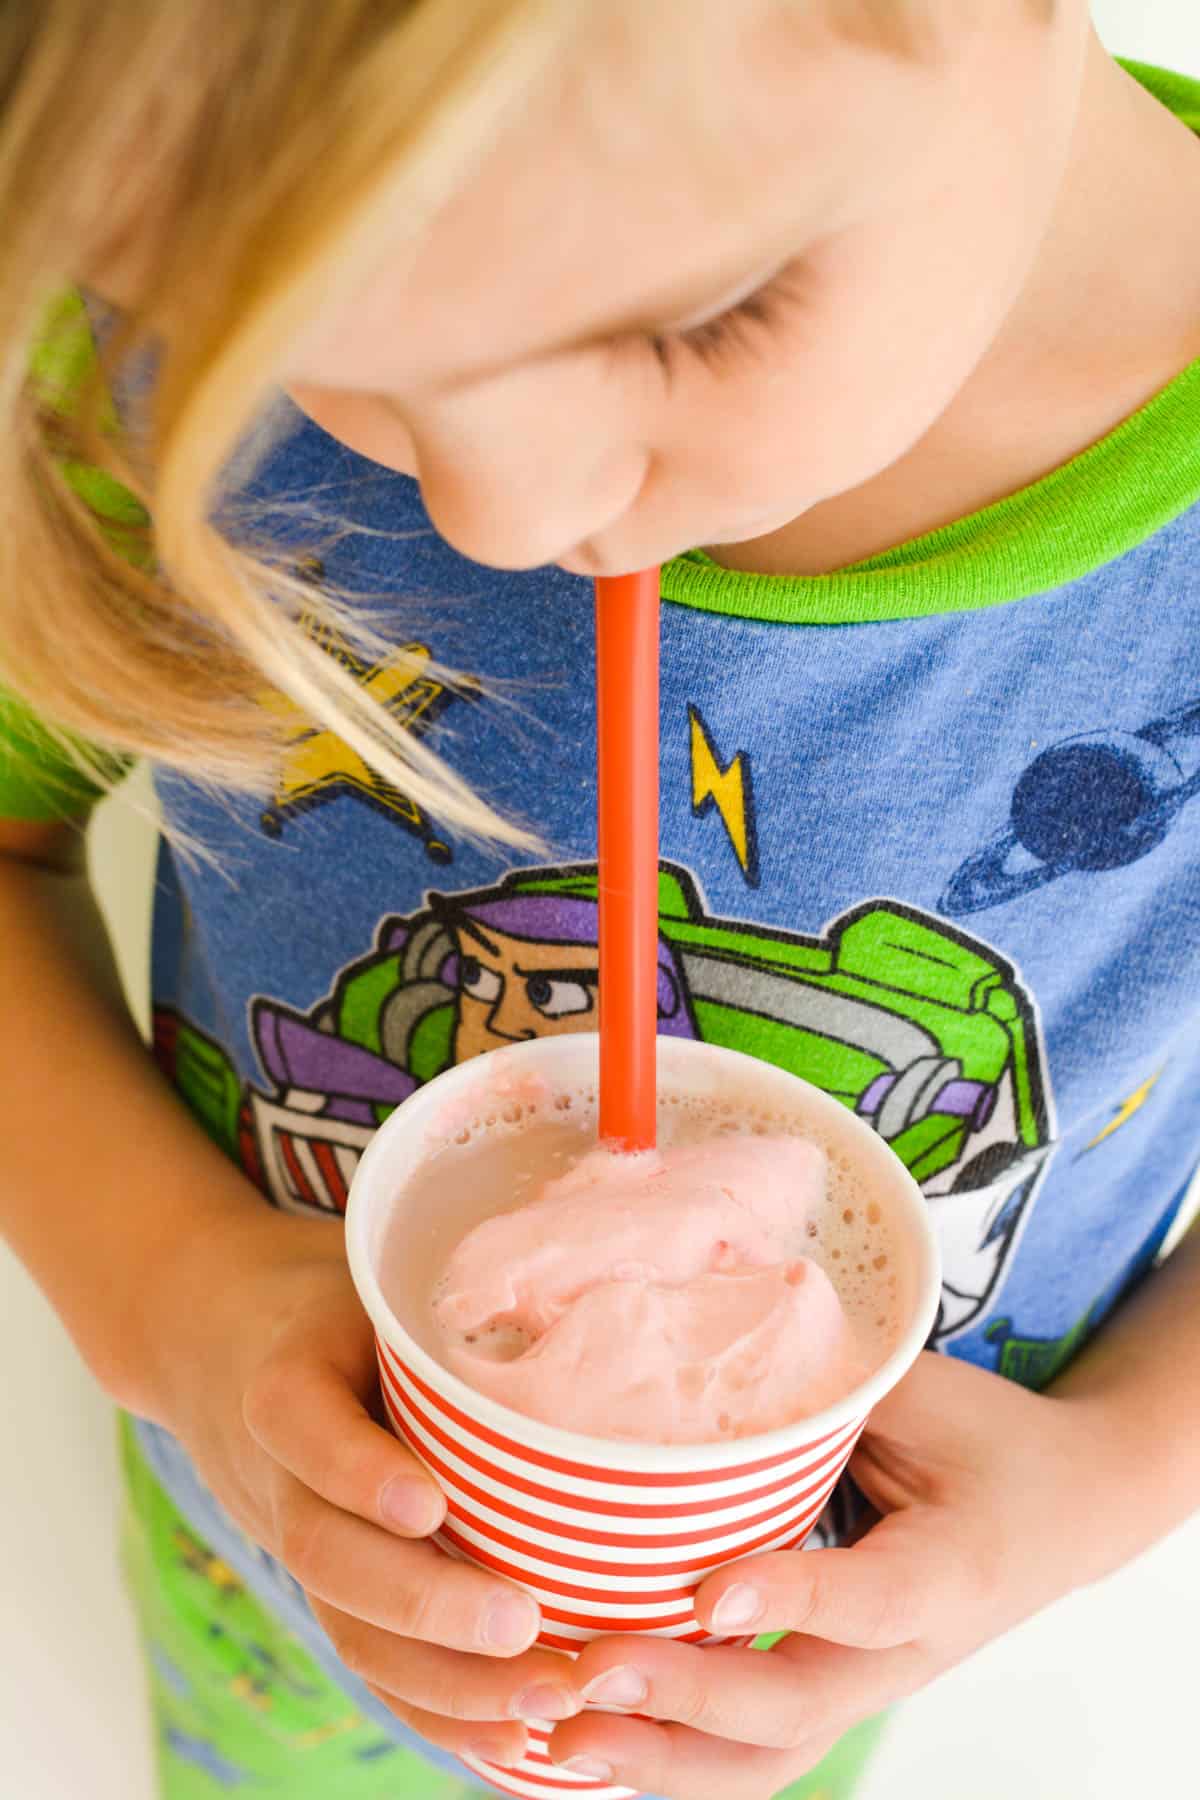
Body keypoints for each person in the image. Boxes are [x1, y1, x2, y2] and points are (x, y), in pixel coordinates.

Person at [2, 3, 1200, 1797]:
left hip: (810, 1634)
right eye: (358, 368)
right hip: (270, 1568)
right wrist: (170, 1300)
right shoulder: (183, 315)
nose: (510, 506)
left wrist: (1107, 1478)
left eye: (689, 318)